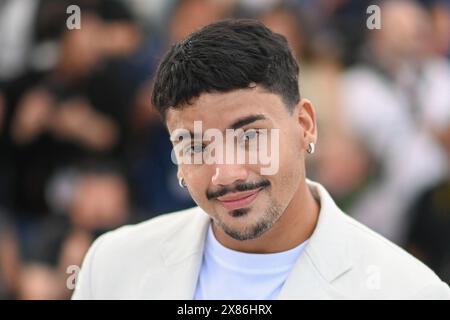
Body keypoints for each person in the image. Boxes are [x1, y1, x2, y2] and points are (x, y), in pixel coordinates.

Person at [72, 19, 450, 299]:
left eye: (249, 137)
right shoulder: (113, 266)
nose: (226, 174)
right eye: (195, 146)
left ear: (305, 125)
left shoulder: (408, 290)